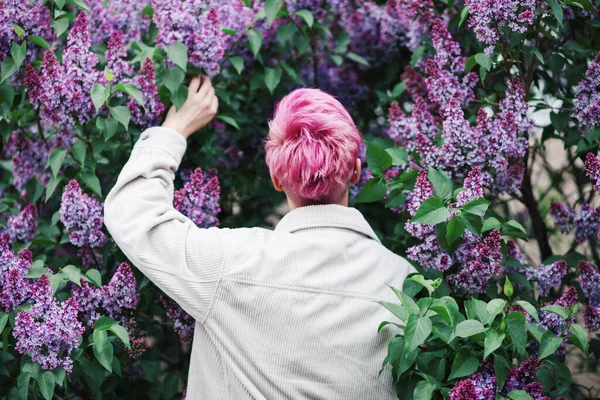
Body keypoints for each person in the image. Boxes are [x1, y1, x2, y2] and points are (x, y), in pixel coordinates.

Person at [104, 76, 416, 399]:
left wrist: (174, 129)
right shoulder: (406, 285)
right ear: (355, 171)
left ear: (276, 179)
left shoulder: (231, 263)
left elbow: (130, 211)